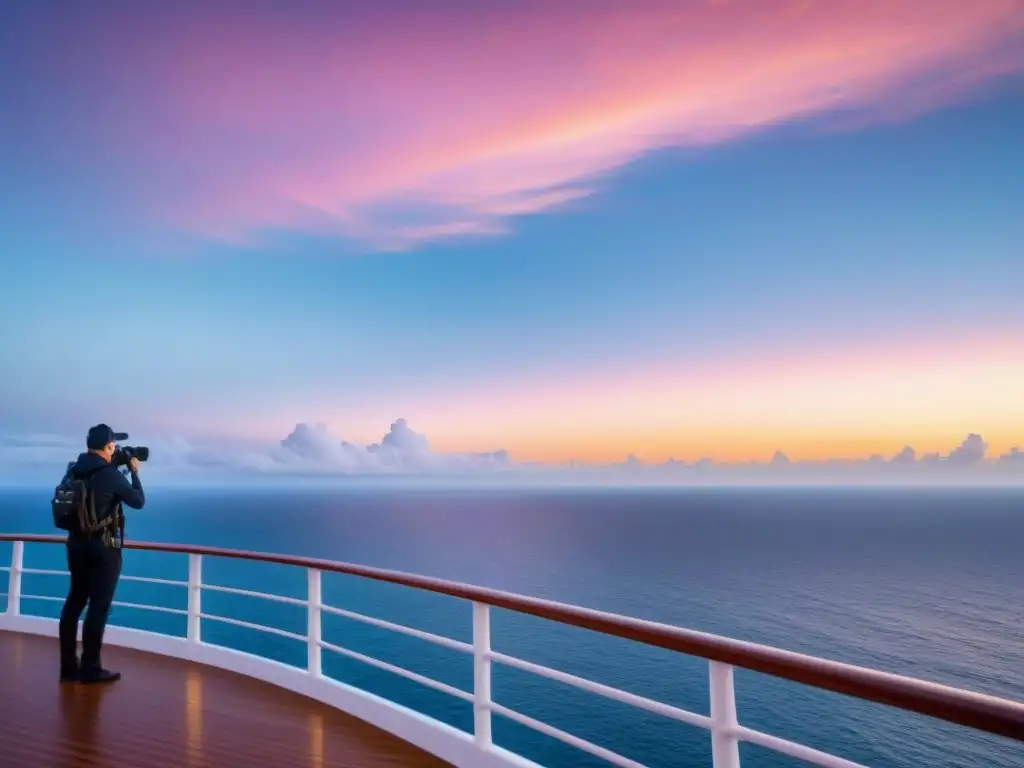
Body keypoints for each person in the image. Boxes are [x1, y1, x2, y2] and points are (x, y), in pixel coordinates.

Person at [58, 423, 145, 684]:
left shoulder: (72, 469)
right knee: (98, 606)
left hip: (75, 545)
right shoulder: (110, 474)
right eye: (114, 445)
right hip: (103, 549)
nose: (115, 449)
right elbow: (138, 501)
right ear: (108, 447)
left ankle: (68, 666)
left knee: (74, 602)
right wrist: (134, 472)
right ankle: (90, 668)